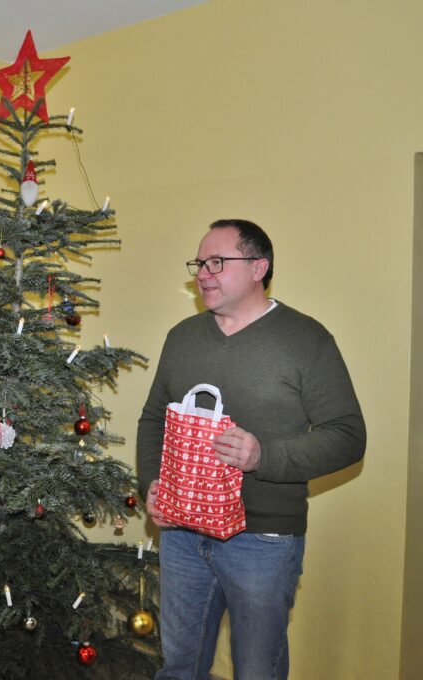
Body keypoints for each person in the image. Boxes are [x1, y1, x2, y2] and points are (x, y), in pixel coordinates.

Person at [136, 218, 366, 680]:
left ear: (259, 267)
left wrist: (264, 456)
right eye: (200, 263)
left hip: (262, 540)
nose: (203, 272)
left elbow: (348, 435)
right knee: (179, 666)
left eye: (217, 262)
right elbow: (153, 420)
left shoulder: (307, 339)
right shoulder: (181, 337)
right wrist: (151, 485)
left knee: (258, 671)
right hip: (181, 533)